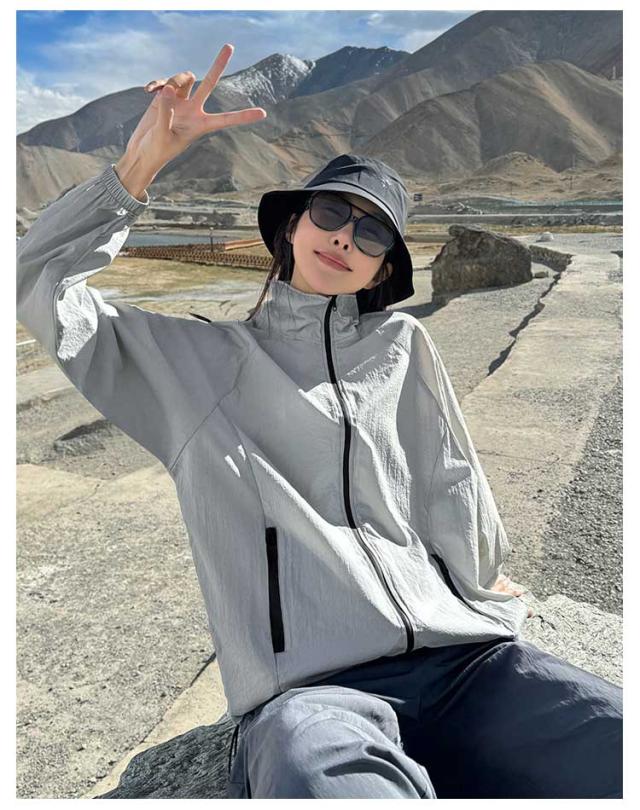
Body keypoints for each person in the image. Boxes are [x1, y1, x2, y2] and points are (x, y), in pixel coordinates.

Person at [16, 44, 622, 799]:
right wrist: (141, 163)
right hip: (313, 693)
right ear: (292, 226)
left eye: (371, 234)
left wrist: (480, 581)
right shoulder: (197, 365)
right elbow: (36, 285)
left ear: (383, 268)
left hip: (467, 662)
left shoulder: (404, 344)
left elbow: (449, 476)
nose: (344, 238)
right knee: (317, 776)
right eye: (332, 213)